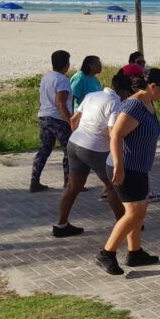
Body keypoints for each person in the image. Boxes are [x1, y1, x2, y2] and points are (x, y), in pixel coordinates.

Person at [95, 68, 160, 275]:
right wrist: (119, 165)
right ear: (152, 86)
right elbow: (116, 135)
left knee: (139, 212)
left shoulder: (148, 103)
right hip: (125, 167)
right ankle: (106, 253)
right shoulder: (134, 105)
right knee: (134, 212)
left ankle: (135, 252)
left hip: (139, 168)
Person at [53, 71, 133, 237]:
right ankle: (124, 225)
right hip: (95, 148)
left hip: (75, 142)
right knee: (114, 186)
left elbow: (74, 120)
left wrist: (82, 136)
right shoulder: (116, 104)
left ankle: (60, 225)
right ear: (124, 92)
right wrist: (117, 157)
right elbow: (113, 133)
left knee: (73, 187)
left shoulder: (92, 95)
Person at [30, 50, 73, 193]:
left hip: (43, 115)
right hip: (57, 118)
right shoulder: (62, 80)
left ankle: (34, 181)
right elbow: (61, 103)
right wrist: (70, 121)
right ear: (66, 64)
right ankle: (69, 182)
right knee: (69, 149)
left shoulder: (47, 77)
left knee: (44, 149)